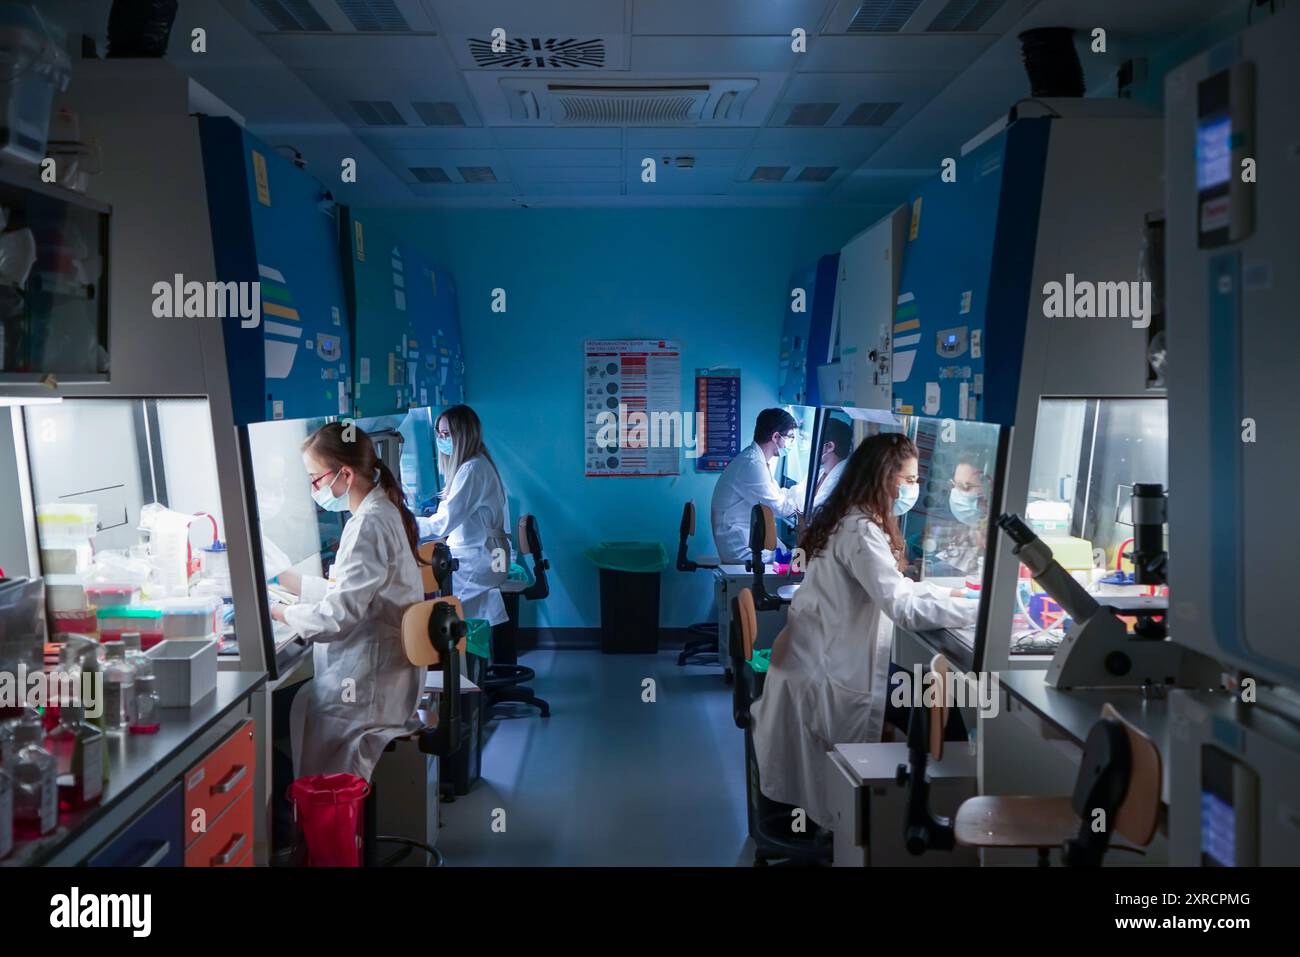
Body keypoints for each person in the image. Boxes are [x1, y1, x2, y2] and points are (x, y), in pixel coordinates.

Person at [750, 432, 978, 829]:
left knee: (930, 696)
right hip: (831, 672)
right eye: (907, 480)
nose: (913, 488)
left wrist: (952, 593)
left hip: (817, 660)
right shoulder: (861, 530)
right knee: (944, 706)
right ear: (883, 477)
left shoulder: (848, 517)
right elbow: (902, 606)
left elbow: (892, 586)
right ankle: (936, 821)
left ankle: (920, 815)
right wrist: (976, 610)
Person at [271, 422, 425, 781]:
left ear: (345, 474)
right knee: (296, 709)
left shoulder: (368, 524)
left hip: (369, 687)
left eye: (315, 479)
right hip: (384, 673)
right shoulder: (380, 510)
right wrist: (298, 584)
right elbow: (357, 593)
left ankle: (318, 830)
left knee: (293, 711)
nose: (314, 490)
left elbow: (336, 618)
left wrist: (280, 612)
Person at [417, 404, 511, 627]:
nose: (442, 439)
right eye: (439, 433)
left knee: (438, 612)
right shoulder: (477, 462)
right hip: (489, 553)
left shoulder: (471, 469)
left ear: (463, 435)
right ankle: (465, 657)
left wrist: (404, 524)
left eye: (447, 434)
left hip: (481, 559)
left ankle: (458, 659)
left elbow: (442, 524)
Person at [710, 408, 806, 563]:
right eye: (790, 437)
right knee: (798, 561)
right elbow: (780, 508)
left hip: (741, 537)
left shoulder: (756, 460)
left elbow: (776, 493)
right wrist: (804, 498)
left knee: (790, 555)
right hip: (740, 548)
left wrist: (800, 491)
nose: (790, 443)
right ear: (776, 436)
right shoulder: (752, 464)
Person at [925, 446, 990, 577]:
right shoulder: (967, 535)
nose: (956, 493)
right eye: (954, 485)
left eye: (964, 487)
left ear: (989, 490)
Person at [811, 418, 853, 512]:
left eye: (814, 442)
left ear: (829, 447)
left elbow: (812, 510)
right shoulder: (821, 472)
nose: (811, 447)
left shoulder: (840, 481)